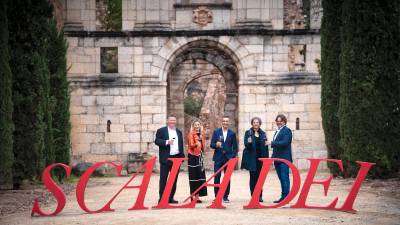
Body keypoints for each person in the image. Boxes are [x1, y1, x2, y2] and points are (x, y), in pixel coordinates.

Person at [154, 115, 185, 204]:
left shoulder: (179, 132)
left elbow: (181, 145)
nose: (172, 122)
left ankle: (171, 197)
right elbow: (157, 141)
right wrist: (167, 142)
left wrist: (182, 157)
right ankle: (162, 198)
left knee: (174, 179)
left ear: (175, 121)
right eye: (171, 120)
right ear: (168, 121)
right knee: (163, 179)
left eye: (174, 120)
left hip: (176, 158)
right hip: (166, 158)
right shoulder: (161, 130)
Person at [210, 116, 238, 203]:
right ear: (221, 122)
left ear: (228, 123)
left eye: (227, 121)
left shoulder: (232, 133)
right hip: (218, 158)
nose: (225, 123)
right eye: (224, 121)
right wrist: (216, 145)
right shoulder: (216, 132)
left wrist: (232, 157)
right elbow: (212, 144)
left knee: (227, 178)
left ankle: (225, 196)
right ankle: (217, 196)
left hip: (228, 159)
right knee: (217, 177)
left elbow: (235, 148)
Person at [241, 117, 269, 202]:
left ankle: (259, 196)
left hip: (261, 159)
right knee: (253, 178)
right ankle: (254, 196)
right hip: (252, 159)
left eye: (257, 122)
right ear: (252, 124)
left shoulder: (263, 133)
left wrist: (266, 159)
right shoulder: (248, 133)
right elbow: (246, 145)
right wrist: (248, 143)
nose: (256, 124)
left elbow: (266, 147)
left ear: (260, 124)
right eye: (254, 122)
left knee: (260, 178)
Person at [270, 114, 293, 203]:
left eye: (280, 121)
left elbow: (285, 143)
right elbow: (277, 147)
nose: (279, 122)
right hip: (277, 159)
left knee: (284, 178)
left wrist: (271, 143)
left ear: (284, 121)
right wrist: (272, 158)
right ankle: (283, 197)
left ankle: (286, 198)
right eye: (277, 121)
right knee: (281, 178)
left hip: (284, 159)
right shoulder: (277, 131)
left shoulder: (287, 131)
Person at [187, 120, 208, 202]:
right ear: (193, 126)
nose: (197, 126)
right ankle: (193, 196)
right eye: (195, 125)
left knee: (199, 177)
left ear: (200, 125)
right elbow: (191, 145)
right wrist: (197, 144)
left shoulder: (201, 135)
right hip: (192, 156)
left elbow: (203, 147)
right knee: (193, 177)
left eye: (198, 124)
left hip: (200, 156)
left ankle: (197, 196)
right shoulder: (191, 134)